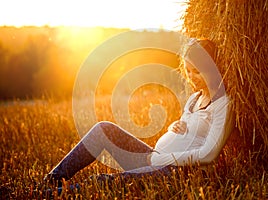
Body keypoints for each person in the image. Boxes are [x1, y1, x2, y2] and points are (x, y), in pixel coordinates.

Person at [44, 38, 231, 183]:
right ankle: (51, 182)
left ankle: (58, 195)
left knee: (100, 181)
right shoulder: (194, 98)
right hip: (156, 159)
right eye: (188, 71)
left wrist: (163, 159)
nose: (191, 77)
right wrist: (174, 126)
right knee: (103, 129)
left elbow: (209, 154)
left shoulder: (223, 104)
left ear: (212, 69)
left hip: (180, 173)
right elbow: (189, 129)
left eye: (197, 71)